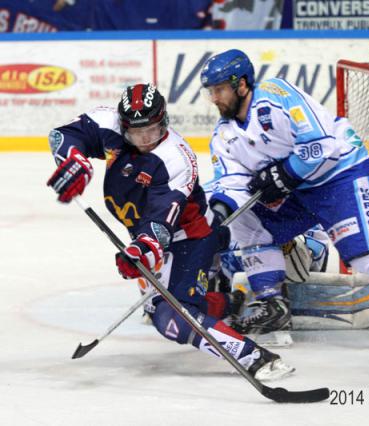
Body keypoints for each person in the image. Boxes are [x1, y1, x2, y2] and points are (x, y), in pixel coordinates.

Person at [199, 48, 369, 374]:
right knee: (246, 221)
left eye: (219, 89)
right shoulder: (224, 135)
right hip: (298, 193)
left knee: (363, 254)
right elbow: (233, 181)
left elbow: (321, 146)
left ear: (241, 85)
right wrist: (221, 213)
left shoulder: (277, 96)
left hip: (340, 175)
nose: (214, 99)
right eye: (211, 92)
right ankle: (272, 302)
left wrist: (285, 173)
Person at [46, 83, 293, 380]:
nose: (144, 140)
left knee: (170, 317)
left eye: (151, 131)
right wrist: (75, 161)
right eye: (135, 133)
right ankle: (230, 301)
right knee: (172, 307)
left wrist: (142, 251)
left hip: (189, 239)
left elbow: (161, 222)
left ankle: (254, 357)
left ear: (164, 122)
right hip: (150, 236)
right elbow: (64, 135)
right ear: (123, 125)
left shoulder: (175, 158)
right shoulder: (109, 124)